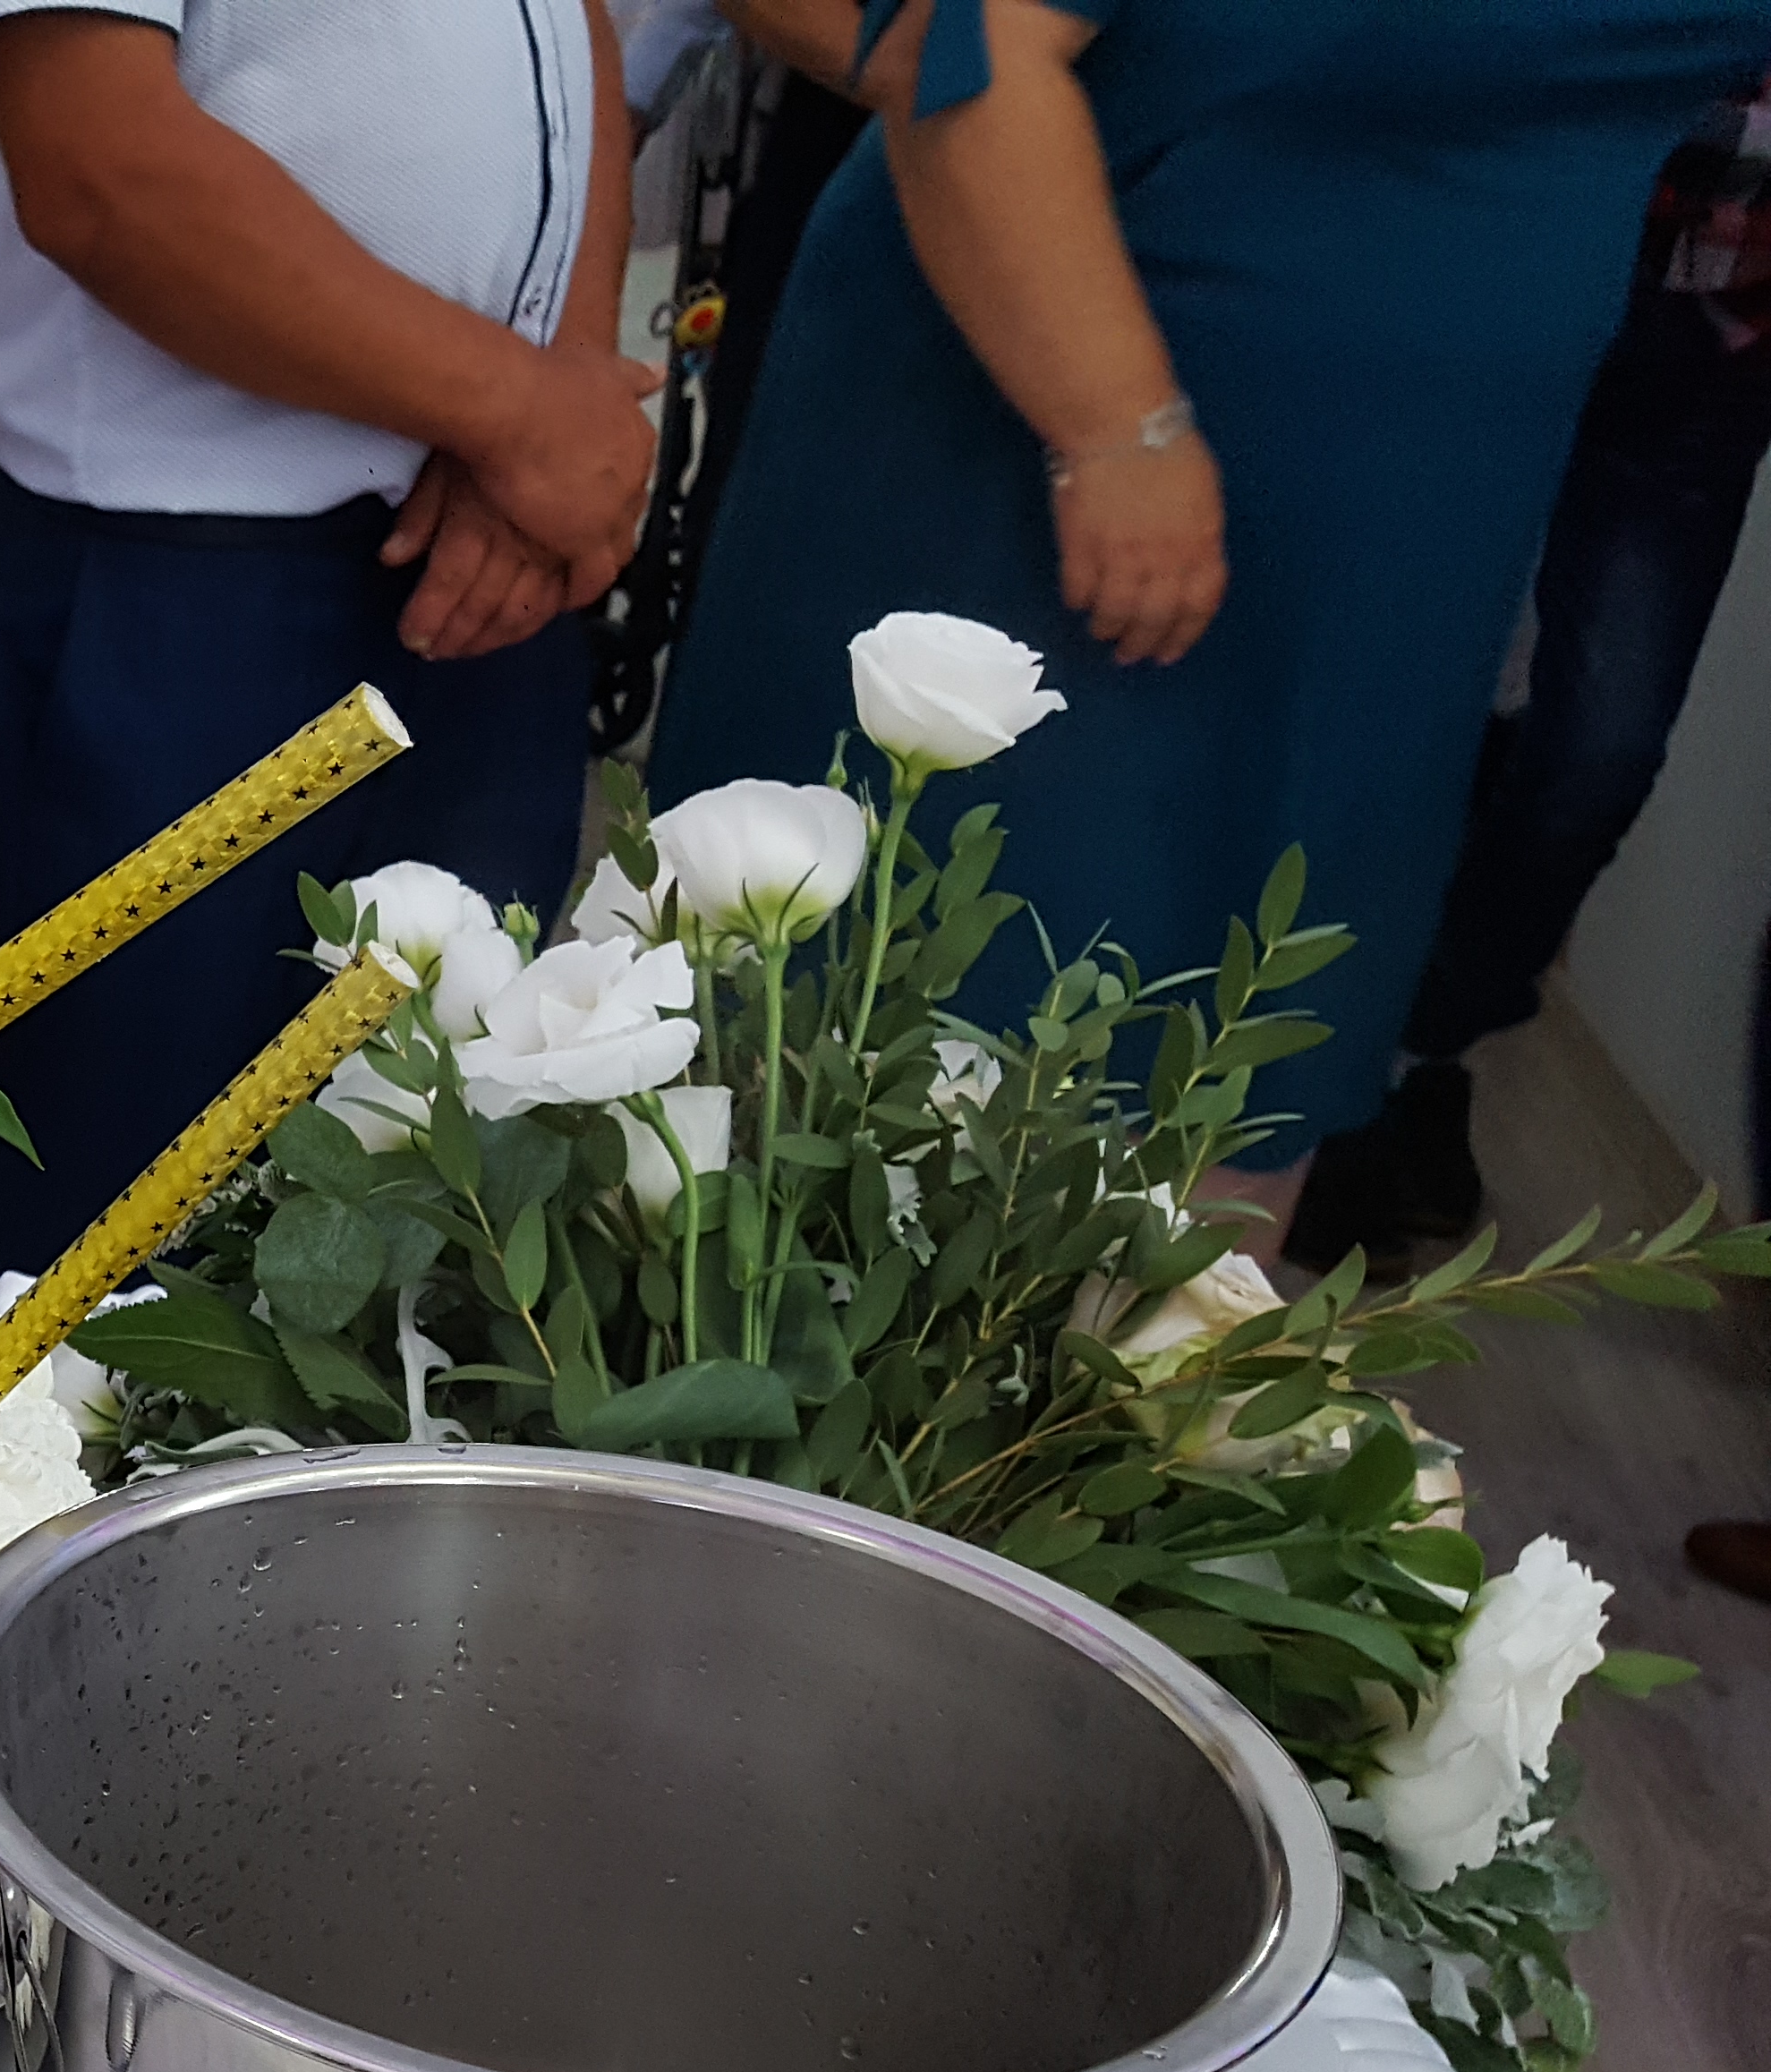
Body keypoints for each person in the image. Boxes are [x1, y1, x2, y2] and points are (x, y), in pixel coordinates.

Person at [647, 0, 1766, 1258]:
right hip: (1056, 422)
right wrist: (1115, 429)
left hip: (1397, 536)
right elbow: (979, 52)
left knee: (1243, 1082)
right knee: (897, 1070)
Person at [0, 0, 651, 1281]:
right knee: (113, 1254)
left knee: (443, 1204)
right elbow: (100, 166)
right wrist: (526, 416)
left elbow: (566, 36)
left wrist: (554, 391)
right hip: (189, 585)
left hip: (483, 560)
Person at [1292, 71, 1771, 1274]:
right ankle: (1321, 1061)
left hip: (1709, 353)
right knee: (1390, 691)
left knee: (1598, 753)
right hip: (1484, 273)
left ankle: (1417, 1048)